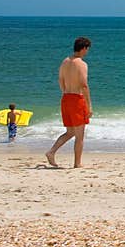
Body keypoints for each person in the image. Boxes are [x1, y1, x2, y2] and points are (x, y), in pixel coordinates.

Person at [46, 37, 92, 168]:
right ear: (83, 48)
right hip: (77, 99)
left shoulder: (65, 61)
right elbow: (84, 85)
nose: (87, 52)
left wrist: (65, 91)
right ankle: (77, 163)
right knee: (79, 135)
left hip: (66, 97)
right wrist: (89, 105)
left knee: (70, 132)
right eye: (87, 49)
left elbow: (60, 79)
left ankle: (51, 152)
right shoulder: (81, 64)